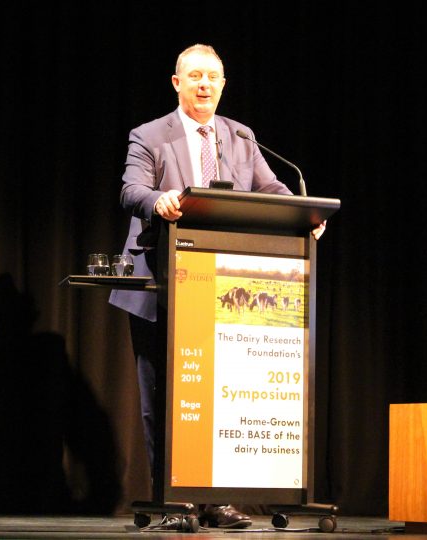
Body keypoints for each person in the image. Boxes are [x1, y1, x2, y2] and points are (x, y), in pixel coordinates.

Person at [109, 44, 325, 529]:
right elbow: (131, 189)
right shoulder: (149, 135)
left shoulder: (240, 137)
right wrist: (159, 199)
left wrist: (307, 215)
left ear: (223, 85)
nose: (205, 84)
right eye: (196, 76)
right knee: (163, 396)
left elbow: (272, 191)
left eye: (213, 77)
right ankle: (173, 499)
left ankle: (214, 500)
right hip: (160, 285)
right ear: (177, 83)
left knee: (216, 395)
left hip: (223, 287)